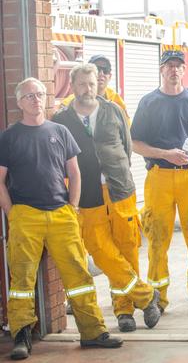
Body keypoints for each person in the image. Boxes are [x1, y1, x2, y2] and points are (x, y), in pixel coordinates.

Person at [0, 78, 123, 360]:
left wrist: (73, 207)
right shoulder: (9, 136)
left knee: (79, 274)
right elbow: (0, 181)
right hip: (25, 215)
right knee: (21, 279)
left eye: (40, 94)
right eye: (29, 95)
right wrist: (13, 213)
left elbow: (75, 173)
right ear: (19, 102)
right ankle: (21, 336)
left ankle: (93, 332)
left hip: (61, 214)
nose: (36, 100)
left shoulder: (60, 131)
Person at [52, 64, 161, 333]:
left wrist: (117, 174)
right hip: (87, 194)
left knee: (127, 249)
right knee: (101, 252)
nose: (87, 89)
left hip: (120, 190)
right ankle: (145, 296)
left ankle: (124, 311)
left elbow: (126, 146)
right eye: (82, 84)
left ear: (97, 84)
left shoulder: (113, 110)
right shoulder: (62, 119)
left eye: (91, 83)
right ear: (72, 86)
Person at [130, 50, 188, 314]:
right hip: (159, 175)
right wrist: (164, 154)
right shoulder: (149, 102)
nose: (174, 70)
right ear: (161, 69)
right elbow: (136, 143)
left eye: (178, 66)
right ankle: (157, 297)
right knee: (158, 237)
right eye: (169, 66)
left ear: (184, 70)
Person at [61, 55, 128, 116]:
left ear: (110, 76)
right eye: (97, 69)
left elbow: (127, 126)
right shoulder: (68, 104)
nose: (101, 73)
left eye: (105, 70)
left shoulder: (117, 101)